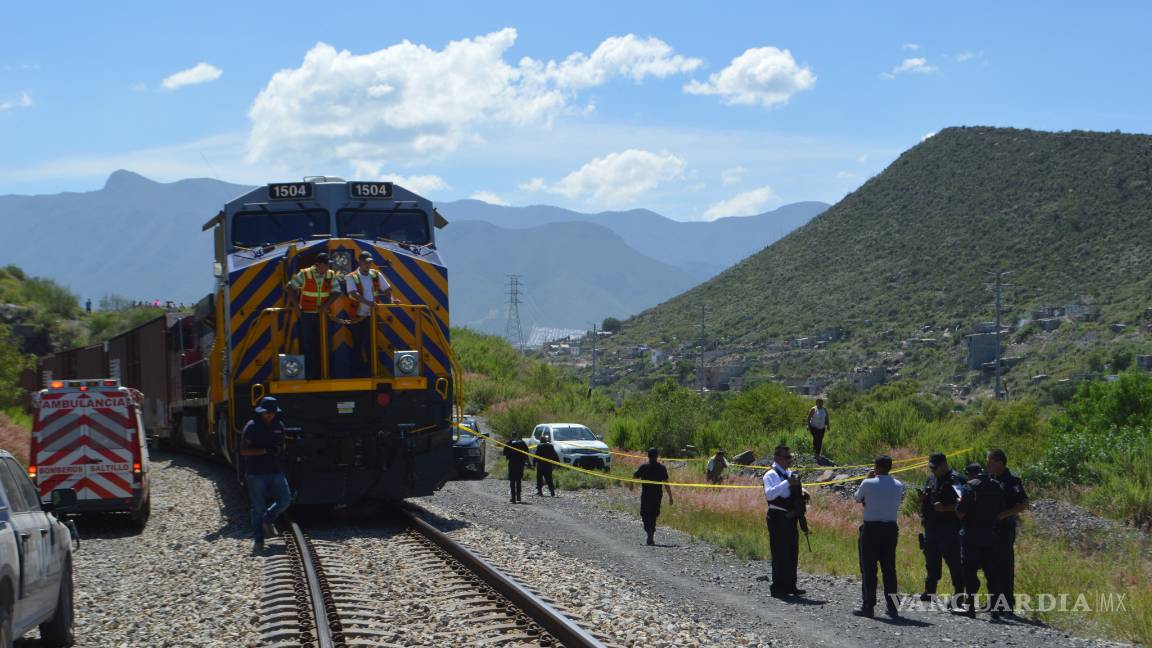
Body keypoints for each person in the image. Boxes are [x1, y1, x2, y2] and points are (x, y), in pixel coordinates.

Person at [852, 455, 906, 618]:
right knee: (889, 568)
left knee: (869, 568)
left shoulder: (868, 482)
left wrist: (867, 478)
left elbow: (857, 498)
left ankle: (868, 605)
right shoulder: (898, 485)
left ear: (876, 467)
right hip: (890, 528)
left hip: (871, 528)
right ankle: (892, 607)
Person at [240, 397, 293, 552]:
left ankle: (268, 520)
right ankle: (258, 541)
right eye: (267, 412)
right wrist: (264, 451)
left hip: (275, 470)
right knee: (257, 508)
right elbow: (243, 450)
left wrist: (281, 448)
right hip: (255, 473)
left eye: (272, 412)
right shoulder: (251, 427)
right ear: (261, 412)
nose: (270, 415)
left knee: (285, 500)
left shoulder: (279, 425)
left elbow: (282, 444)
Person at [955, 463, 1005, 618]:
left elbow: (961, 513)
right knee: (992, 573)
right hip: (991, 534)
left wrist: (957, 505)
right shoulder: (997, 485)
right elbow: (1001, 509)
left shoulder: (970, 486)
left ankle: (970, 607)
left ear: (970, 474)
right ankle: (995, 609)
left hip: (972, 535)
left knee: (970, 571)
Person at [919, 452, 964, 604]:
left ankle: (958, 595)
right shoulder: (931, 478)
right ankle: (930, 591)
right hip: (931, 527)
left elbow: (963, 504)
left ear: (944, 465)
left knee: (954, 563)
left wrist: (945, 508)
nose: (933, 470)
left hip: (949, 529)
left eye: (935, 467)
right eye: (931, 467)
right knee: (931, 561)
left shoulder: (956, 480)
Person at [987, 448, 1028, 615]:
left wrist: (1004, 514)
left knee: (1004, 566)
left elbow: (1023, 504)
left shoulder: (1012, 481)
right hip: (990, 529)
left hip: (1004, 529)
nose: (987, 464)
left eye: (989, 461)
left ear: (999, 463)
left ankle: (1007, 604)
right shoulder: (990, 480)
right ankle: (994, 602)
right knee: (990, 566)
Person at [763, 445, 807, 597]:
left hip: (791, 517)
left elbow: (794, 490)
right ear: (777, 458)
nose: (790, 460)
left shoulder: (789, 473)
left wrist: (802, 492)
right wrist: (787, 482)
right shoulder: (770, 475)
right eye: (787, 457)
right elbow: (770, 495)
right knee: (779, 552)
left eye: (790, 457)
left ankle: (791, 585)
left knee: (792, 552)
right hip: (777, 518)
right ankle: (778, 587)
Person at [286, 253, 340, 379]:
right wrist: (296, 307)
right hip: (307, 315)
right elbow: (289, 287)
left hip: (323, 316)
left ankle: (328, 374)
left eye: (329, 264)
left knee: (326, 345)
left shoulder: (330, 274)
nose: (328, 266)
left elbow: (337, 291)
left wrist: (326, 305)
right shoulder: (305, 274)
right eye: (326, 264)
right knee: (309, 345)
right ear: (318, 265)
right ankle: (312, 375)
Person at [345, 251, 396, 371]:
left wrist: (392, 299)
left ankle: (371, 370)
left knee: (371, 344)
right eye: (366, 262)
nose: (368, 265)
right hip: (357, 316)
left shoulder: (376, 274)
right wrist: (370, 303)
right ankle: (357, 371)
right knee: (357, 344)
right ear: (360, 262)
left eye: (370, 262)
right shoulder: (351, 277)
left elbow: (388, 289)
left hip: (372, 315)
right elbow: (353, 294)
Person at [630, 448, 673, 545]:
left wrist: (631, 485)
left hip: (646, 496)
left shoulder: (644, 467)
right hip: (657, 496)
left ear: (648, 456)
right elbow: (666, 483)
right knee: (653, 515)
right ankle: (651, 533)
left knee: (645, 514)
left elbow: (634, 476)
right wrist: (670, 496)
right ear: (657, 456)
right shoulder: (661, 468)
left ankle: (649, 532)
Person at [503, 431, 530, 503]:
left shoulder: (509, 443)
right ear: (517, 435)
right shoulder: (522, 443)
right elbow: (527, 453)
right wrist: (528, 463)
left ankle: (513, 498)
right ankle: (518, 497)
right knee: (518, 481)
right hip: (520, 464)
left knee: (512, 481)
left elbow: (504, 453)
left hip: (512, 464)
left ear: (511, 435)